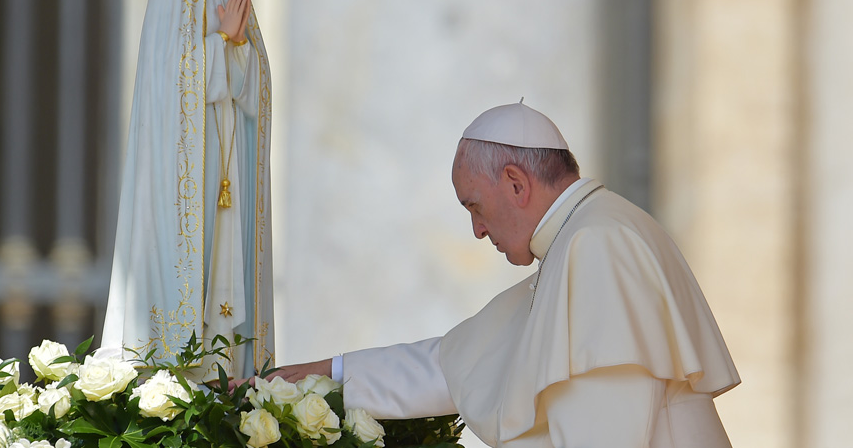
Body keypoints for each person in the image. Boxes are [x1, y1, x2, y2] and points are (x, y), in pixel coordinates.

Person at [268, 101, 741, 447]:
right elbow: (461, 361)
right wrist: (326, 375)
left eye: (475, 206)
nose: (477, 230)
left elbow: (607, 425)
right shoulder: (588, 233)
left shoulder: (597, 245)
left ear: (515, 182)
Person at [100, 0, 287, 381]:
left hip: (229, 155)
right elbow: (169, 82)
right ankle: (176, 371)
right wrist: (220, 44)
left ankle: (228, 370)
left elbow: (257, 88)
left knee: (229, 257)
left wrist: (235, 47)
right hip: (187, 164)